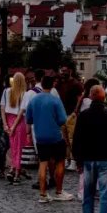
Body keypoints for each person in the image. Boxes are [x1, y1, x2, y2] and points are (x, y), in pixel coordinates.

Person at [72, 85, 107, 213]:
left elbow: (77, 140)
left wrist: (78, 160)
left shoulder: (84, 116)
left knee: (88, 194)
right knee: (105, 195)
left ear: (91, 97)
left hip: (87, 160)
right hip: (106, 159)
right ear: (103, 97)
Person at [26, 75, 72, 203]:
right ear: (52, 85)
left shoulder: (34, 100)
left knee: (43, 163)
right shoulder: (55, 100)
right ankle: (59, 191)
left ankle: (43, 194)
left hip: (40, 136)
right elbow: (63, 119)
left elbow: (28, 119)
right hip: (55, 136)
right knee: (59, 162)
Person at [1, 72, 28, 183]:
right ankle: (16, 172)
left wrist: (5, 124)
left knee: (13, 148)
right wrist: (14, 126)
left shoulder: (6, 91)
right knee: (18, 148)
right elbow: (21, 112)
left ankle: (13, 169)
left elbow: (2, 108)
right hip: (19, 122)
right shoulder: (24, 94)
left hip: (9, 120)